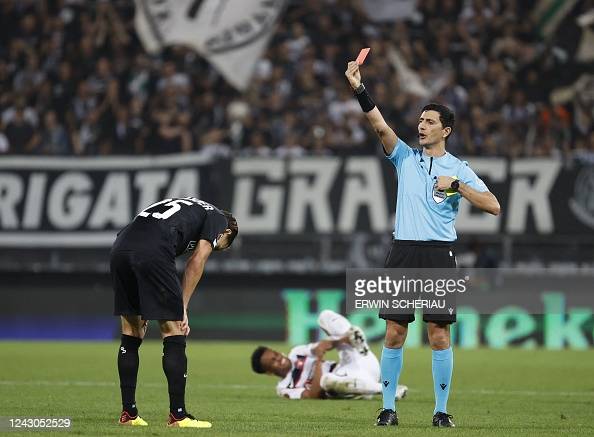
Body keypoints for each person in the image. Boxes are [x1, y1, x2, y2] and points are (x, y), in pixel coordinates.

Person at [344, 61, 501, 428]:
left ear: (445, 130)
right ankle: (387, 409)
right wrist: (359, 89)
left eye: (430, 121)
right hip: (403, 251)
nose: (421, 125)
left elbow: (493, 205)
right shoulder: (405, 158)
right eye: (420, 120)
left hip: (438, 254)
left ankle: (441, 412)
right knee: (395, 331)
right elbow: (379, 125)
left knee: (438, 334)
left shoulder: (459, 168)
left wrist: (458, 186)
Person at [111, 197, 238, 428]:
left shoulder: (190, 206)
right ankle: (178, 416)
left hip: (120, 248)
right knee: (174, 329)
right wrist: (183, 307)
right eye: (221, 245)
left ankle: (128, 414)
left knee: (131, 331)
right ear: (226, 231)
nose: (215, 248)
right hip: (153, 249)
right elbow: (196, 261)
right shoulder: (218, 219)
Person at [251, 310, 408, 401]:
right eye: (273, 361)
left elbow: (322, 346)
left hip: (361, 364)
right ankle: (388, 390)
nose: (279, 358)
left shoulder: (296, 353)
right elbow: (313, 395)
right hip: (352, 384)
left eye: (276, 354)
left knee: (324, 316)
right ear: (269, 372)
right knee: (327, 380)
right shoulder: (284, 387)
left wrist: (343, 339)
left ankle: (358, 343)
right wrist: (319, 359)